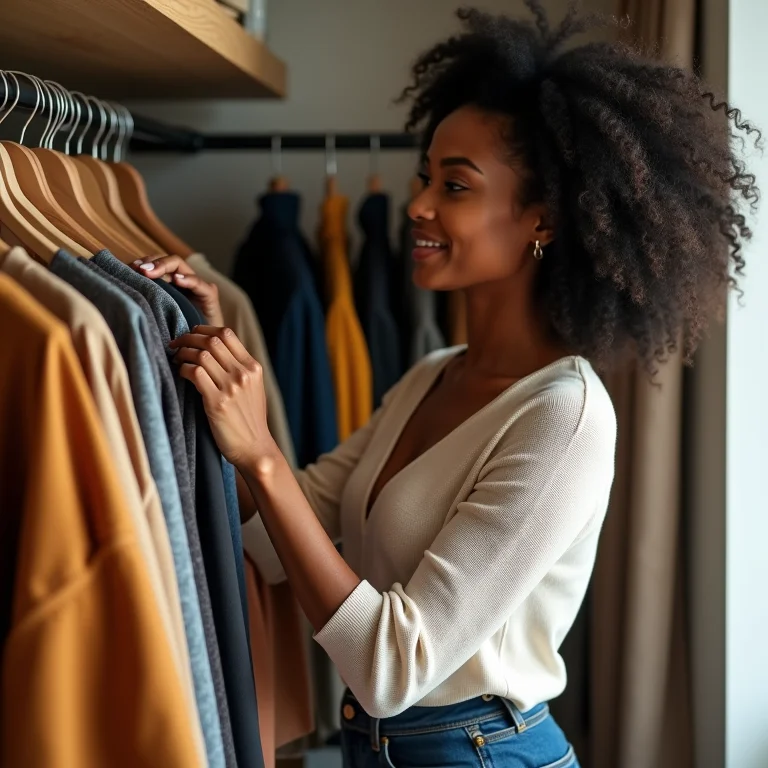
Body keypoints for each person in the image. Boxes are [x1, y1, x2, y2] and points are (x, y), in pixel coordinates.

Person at [134, 3, 757, 766]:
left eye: (455, 187)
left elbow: (393, 664)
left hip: (482, 751)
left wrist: (259, 451)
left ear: (543, 220)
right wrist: (196, 351)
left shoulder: (565, 417)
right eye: (425, 176)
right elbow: (265, 541)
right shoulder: (432, 375)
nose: (417, 205)